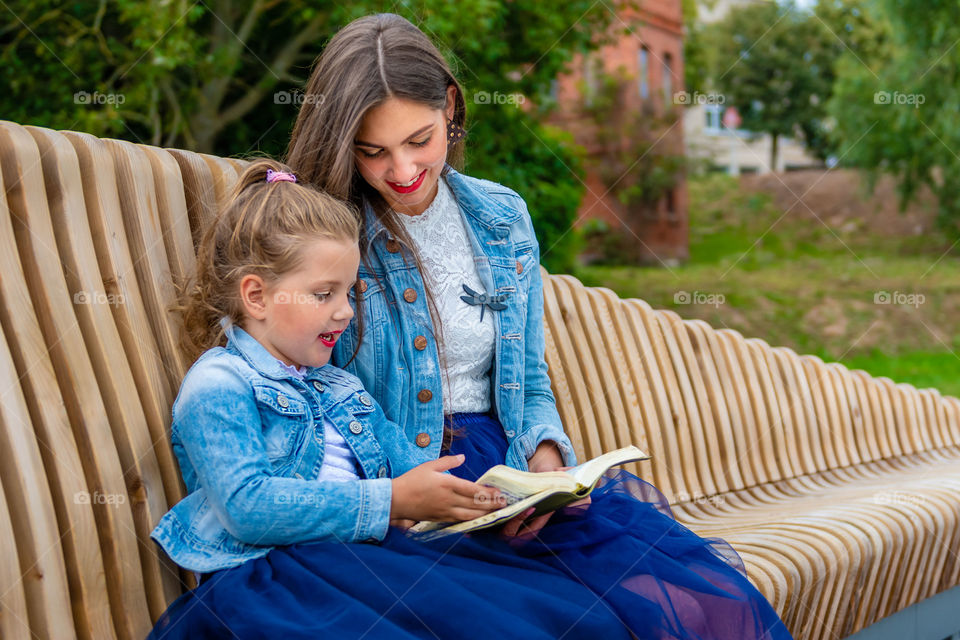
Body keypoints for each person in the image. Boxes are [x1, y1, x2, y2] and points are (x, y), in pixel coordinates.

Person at [281, 12, 796, 640]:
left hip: (500, 476)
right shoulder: (322, 232)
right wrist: (394, 492)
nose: (404, 171)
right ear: (345, 144)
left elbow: (524, 376)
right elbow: (303, 385)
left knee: (705, 605)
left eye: (420, 140)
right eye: (374, 152)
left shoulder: (501, 217)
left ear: (449, 108)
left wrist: (546, 458)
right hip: (389, 485)